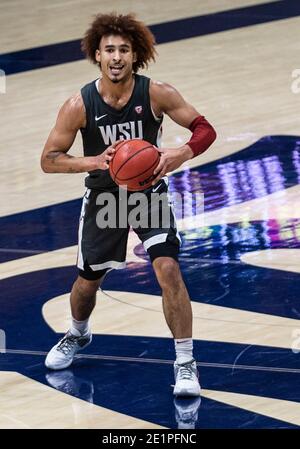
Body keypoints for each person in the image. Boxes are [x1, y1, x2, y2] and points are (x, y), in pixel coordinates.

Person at [41, 12, 216, 397]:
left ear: (136, 55)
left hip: (148, 194)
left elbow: (205, 129)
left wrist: (179, 154)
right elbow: (49, 159)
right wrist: (93, 161)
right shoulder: (79, 104)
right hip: (104, 198)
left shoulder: (156, 93)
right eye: (109, 50)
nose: (117, 57)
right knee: (88, 283)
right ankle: (77, 333)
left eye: (124, 49)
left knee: (168, 268)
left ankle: (185, 363)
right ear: (97, 56)